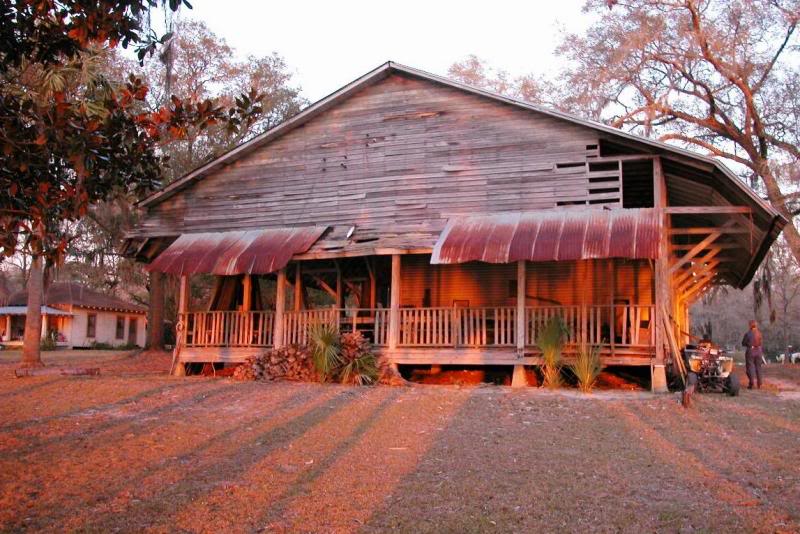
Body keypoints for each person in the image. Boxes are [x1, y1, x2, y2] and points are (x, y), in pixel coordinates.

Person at [741, 320, 764, 389]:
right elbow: (760, 343)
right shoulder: (759, 333)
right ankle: (759, 383)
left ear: (750, 325)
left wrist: (748, 344)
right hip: (759, 351)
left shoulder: (748, 334)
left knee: (750, 367)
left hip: (751, 350)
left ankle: (751, 383)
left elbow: (743, 343)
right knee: (758, 367)